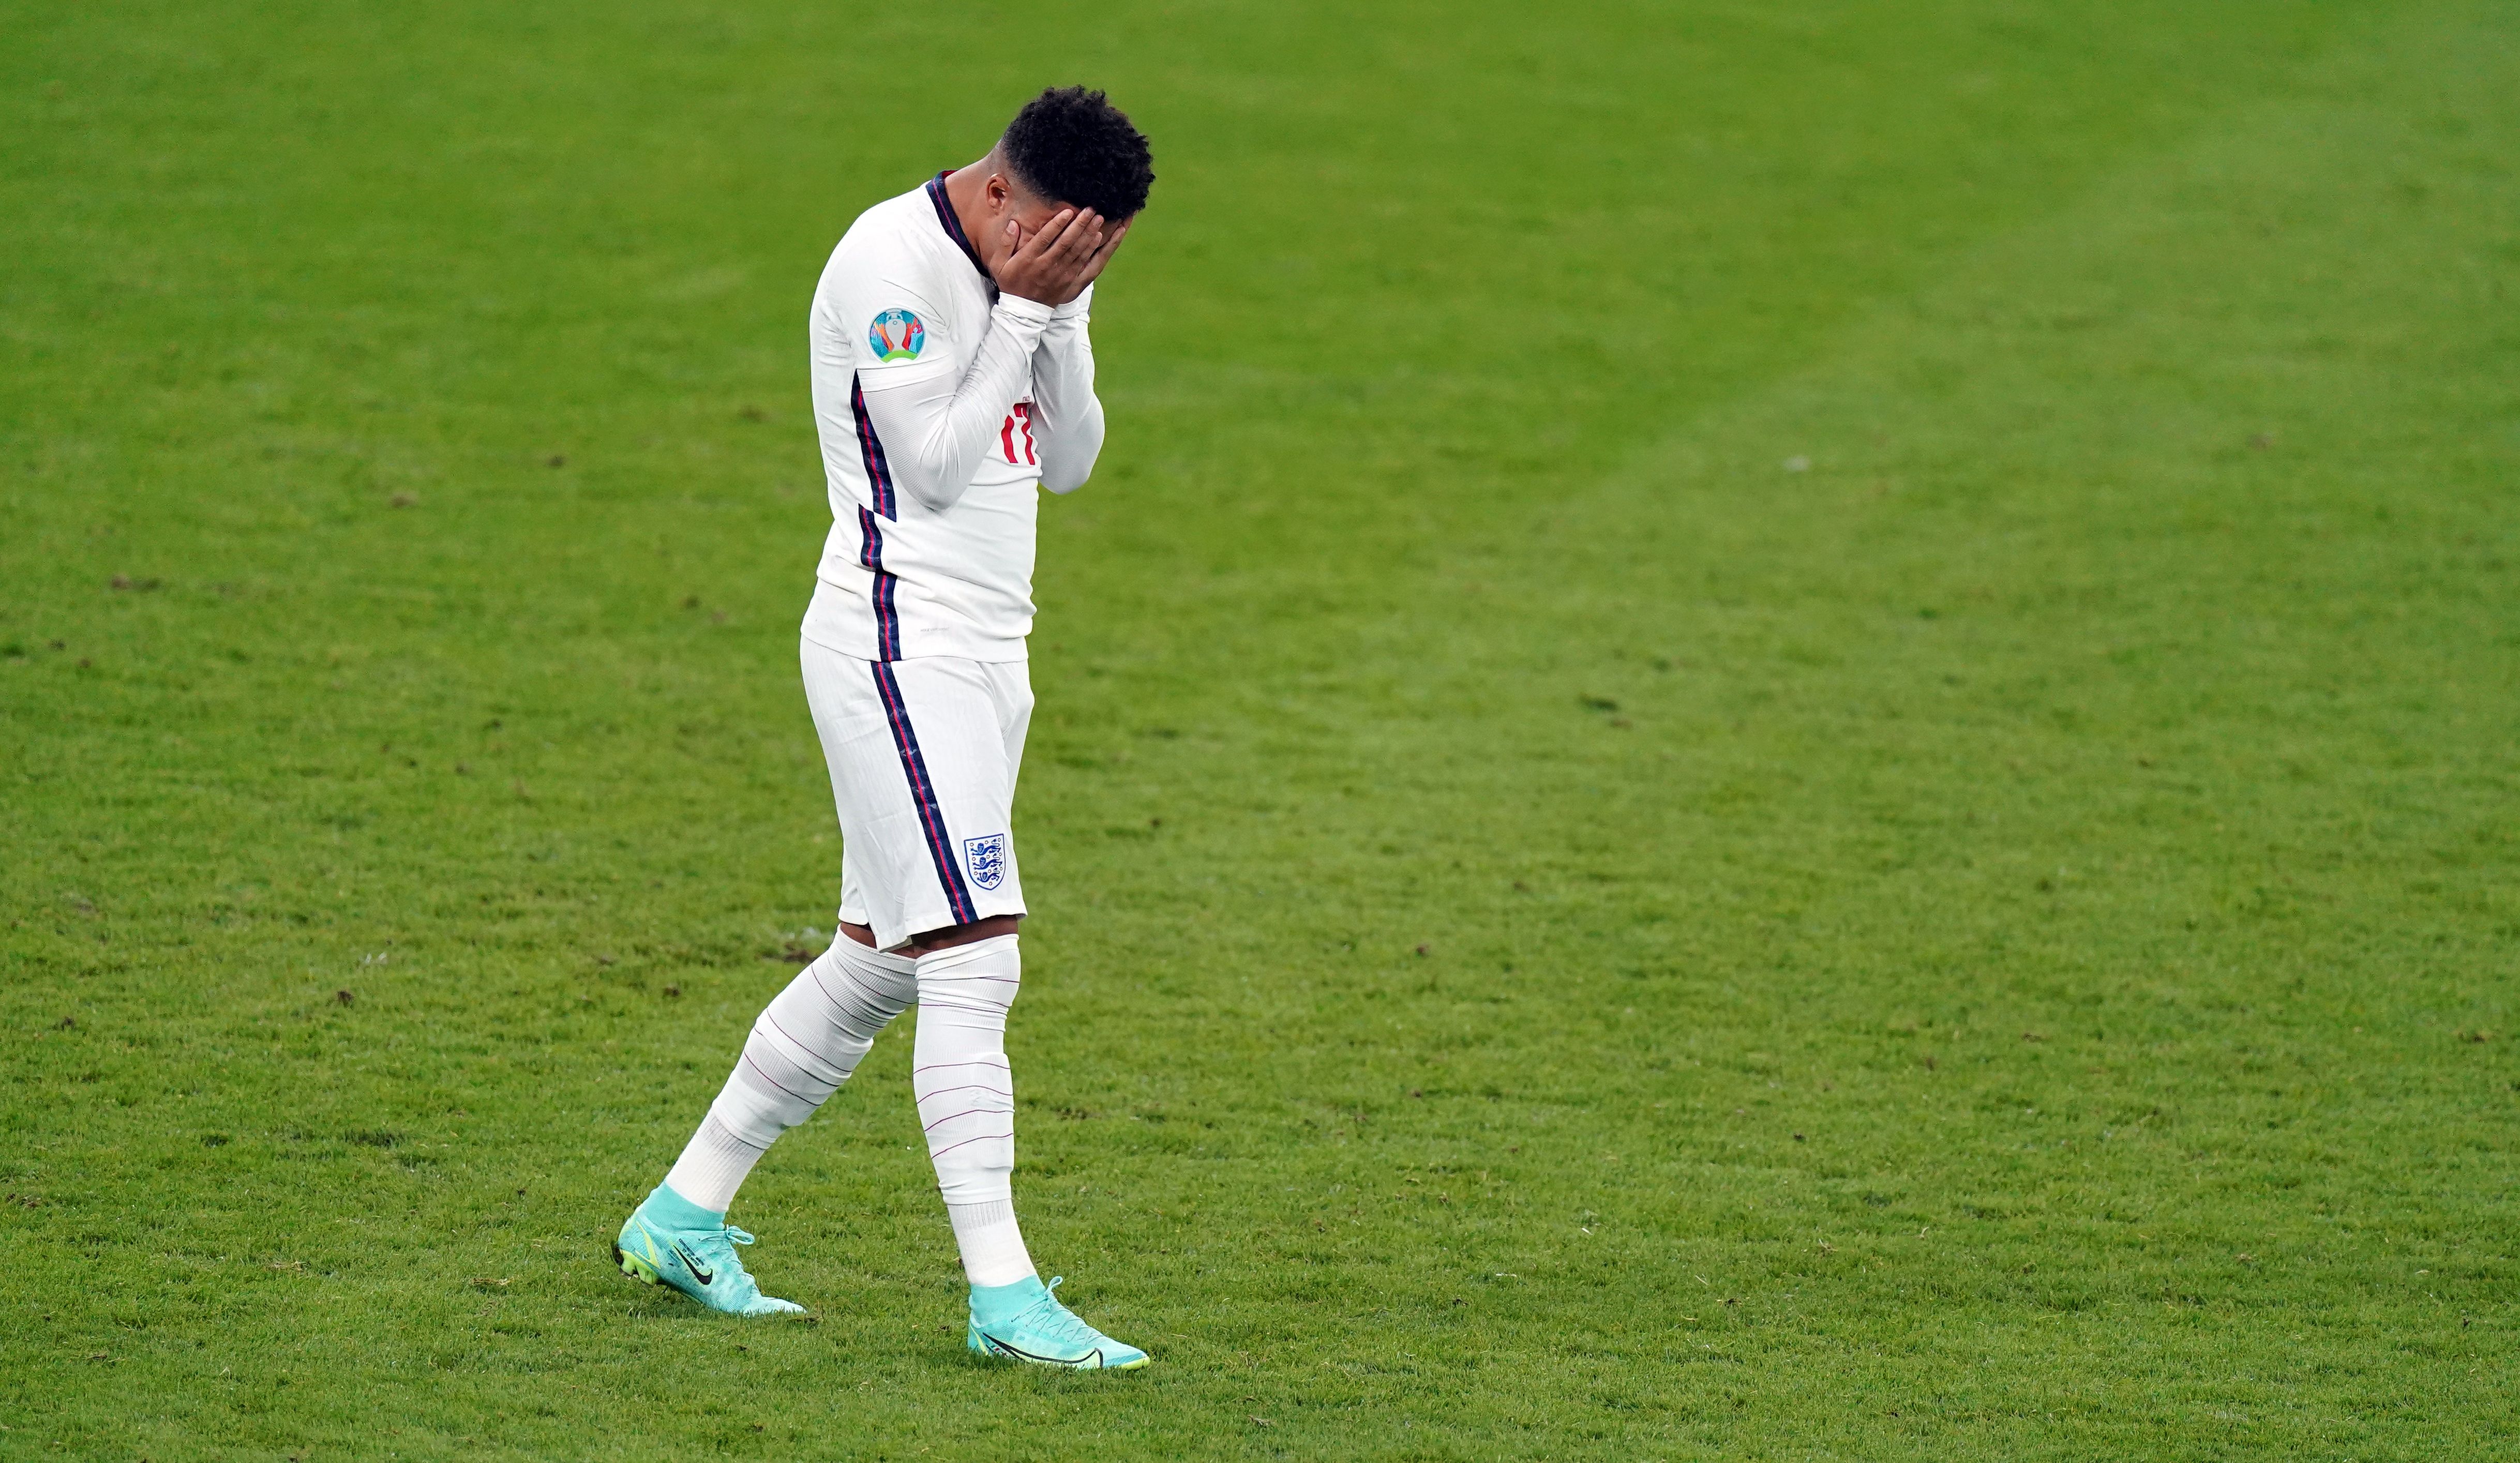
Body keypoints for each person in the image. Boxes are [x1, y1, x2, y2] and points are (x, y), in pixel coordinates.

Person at [611, 86, 1153, 1370]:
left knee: (883, 958)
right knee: (976, 955)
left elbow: (1068, 462)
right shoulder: (889, 265)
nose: (1091, 262)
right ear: (1009, 195)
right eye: (1081, 242)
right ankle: (1004, 1298)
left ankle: (684, 1212)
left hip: (986, 656)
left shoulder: (1044, 268)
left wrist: (1060, 315)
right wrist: (1024, 310)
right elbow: (939, 467)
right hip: (898, 650)